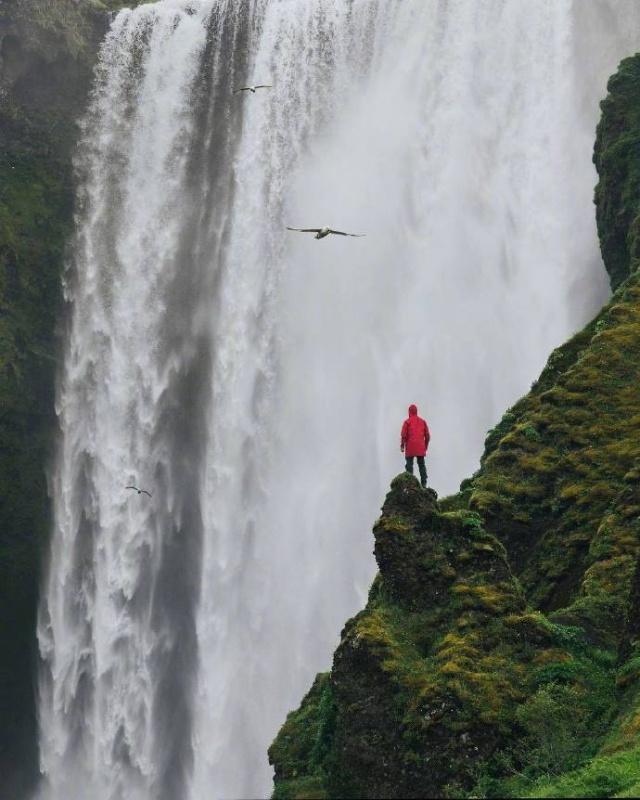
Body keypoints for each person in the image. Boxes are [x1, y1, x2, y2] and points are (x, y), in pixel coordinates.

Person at [400, 404, 430, 488]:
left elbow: (403, 435)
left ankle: (410, 484)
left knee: (409, 465)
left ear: (409, 412)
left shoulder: (407, 422)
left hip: (410, 447)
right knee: (421, 465)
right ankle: (423, 483)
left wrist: (402, 446)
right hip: (420, 447)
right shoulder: (423, 422)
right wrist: (425, 446)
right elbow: (427, 436)